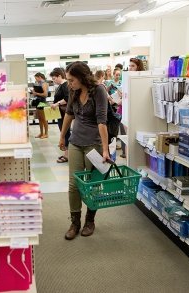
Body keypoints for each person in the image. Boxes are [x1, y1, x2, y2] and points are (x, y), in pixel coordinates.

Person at [59, 61, 110, 240]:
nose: (69, 83)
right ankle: (75, 222)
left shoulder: (99, 90)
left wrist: (105, 150)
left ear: (81, 77)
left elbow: (102, 121)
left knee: (92, 184)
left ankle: (90, 220)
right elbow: (69, 114)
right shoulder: (73, 90)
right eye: (67, 80)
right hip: (75, 142)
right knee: (74, 184)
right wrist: (62, 136)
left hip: (94, 144)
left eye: (71, 79)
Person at [50, 67, 70, 163]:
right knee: (64, 132)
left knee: (65, 133)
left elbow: (67, 98)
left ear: (59, 76)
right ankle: (67, 153)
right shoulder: (61, 86)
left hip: (63, 113)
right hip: (60, 113)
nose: (54, 81)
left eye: (54, 78)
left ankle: (67, 155)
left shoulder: (65, 85)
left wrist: (57, 104)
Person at [32, 72, 49, 139]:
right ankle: (41, 133)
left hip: (42, 102)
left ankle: (46, 134)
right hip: (38, 102)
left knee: (44, 119)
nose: (35, 80)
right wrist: (34, 92)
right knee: (40, 118)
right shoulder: (39, 84)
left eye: (36, 78)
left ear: (39, 77)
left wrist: (36, 93)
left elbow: (45, 94)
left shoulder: (44, 84)